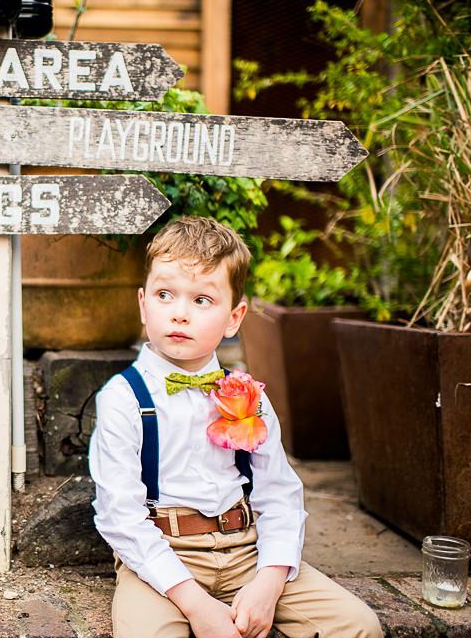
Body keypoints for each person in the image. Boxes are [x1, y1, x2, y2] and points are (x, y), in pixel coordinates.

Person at [88, 216, 382, 638]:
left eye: (202, 300)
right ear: (142, 303)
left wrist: (269, 580)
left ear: (234, 317)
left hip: (247, 548)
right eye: (164, 294)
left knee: (359, 627)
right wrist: (195, 604)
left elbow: (280, 494)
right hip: (164, 554)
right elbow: (120, 515)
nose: (179, 314)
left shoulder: (250, 396)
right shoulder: (123, 398)